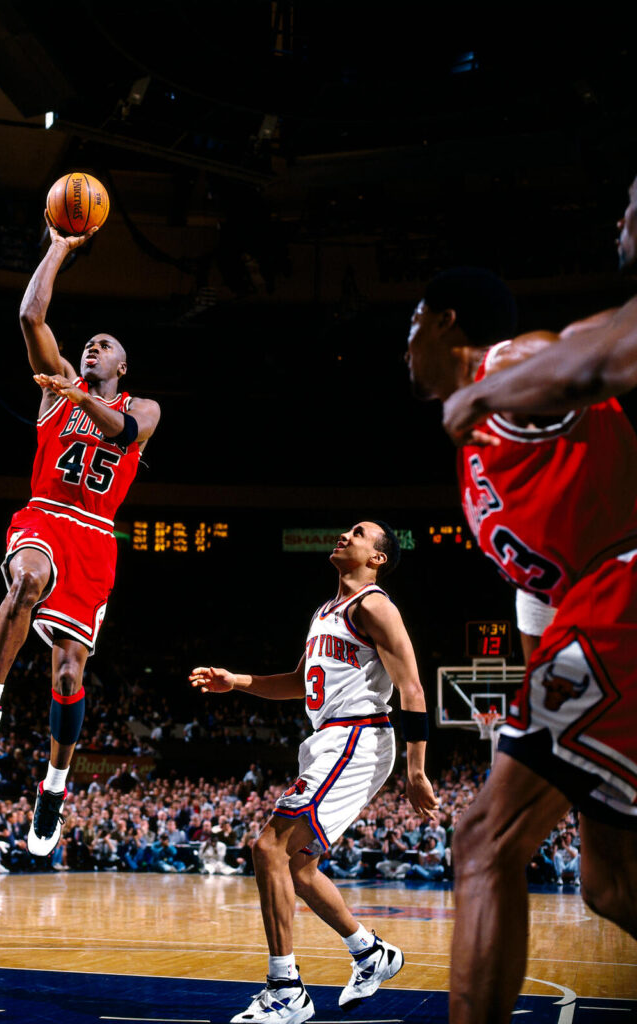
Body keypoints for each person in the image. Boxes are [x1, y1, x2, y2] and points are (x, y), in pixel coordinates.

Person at [405, 177, 637, 1023]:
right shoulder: (477, 456)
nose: (404, 350)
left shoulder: (508, 366)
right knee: (613, 886)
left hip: (625, 599)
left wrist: (484, 388)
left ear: (448, 325)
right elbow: (538, 604)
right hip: (598, 619)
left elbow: (594, 354)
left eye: (411, 329)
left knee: (483, 838)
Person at [0, 219, 161, 859]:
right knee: (26, 579)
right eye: (88, 343)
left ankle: (55, 786)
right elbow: (29, 317)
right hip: (44, 515)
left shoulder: (144, 407)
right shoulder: (58, 389)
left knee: (69, 672)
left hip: (96, 538)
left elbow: (124, 433)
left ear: (122, 365)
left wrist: (74, 390)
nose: (91, 348)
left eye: (105, 345)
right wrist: (58, 248)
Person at [190, 520, 438, 1024]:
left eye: (359, 534)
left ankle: (286, 990)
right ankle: (371, 953)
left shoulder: (375, 605)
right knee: (298, 866)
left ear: (378, 558)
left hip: (357, 736)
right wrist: (235, 680)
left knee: (267, 848)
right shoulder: (327, 612)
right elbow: (301, 683)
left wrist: (417, 769)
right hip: (329, 738)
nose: (345, 536)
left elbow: (411, 688)